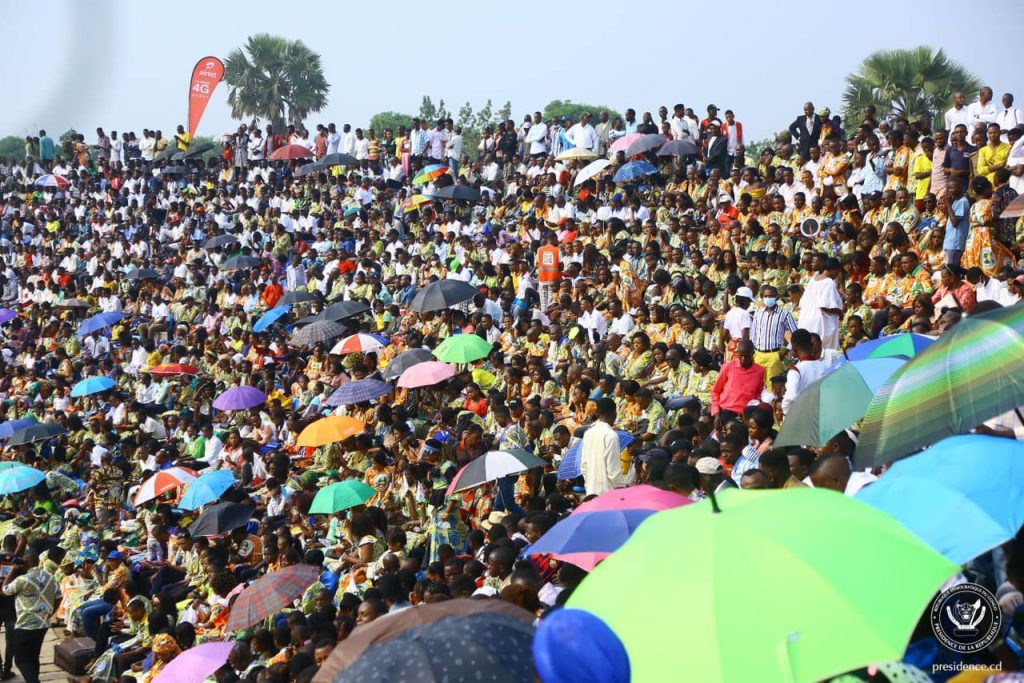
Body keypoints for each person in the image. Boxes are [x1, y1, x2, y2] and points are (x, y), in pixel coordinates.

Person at [2, 548, 56, 683]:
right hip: (43, 624)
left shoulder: (23, 580)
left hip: (25, 625)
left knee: (20, 660)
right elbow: (59, 596)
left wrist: (13, 570)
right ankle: (34, 678)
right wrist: (50, 613)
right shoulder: (50, 577)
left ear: (26, 561)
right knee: (33, 657)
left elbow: (5, 590)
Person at [581, 398, 633, 495]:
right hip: (608, 493)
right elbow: (613, 471)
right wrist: (622, 489)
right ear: (614, 413)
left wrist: (589, 484)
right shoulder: (611, 435)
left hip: (591, 491)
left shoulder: (588, 433)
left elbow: (584, 466)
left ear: (597, 414)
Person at [750, 285, 796, 387]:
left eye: (771, 296)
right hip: (758, 355)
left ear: (776, 297)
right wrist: (752, 352)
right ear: (762, 297)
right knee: (757, 386)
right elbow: (753, 333)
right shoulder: (758, 313)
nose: (768, 298)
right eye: (766, 296)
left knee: (772, 388)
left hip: (774, 355)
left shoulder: (785, 314)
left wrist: (786, 350)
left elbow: (796, 334)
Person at [710, 340, 764, 426]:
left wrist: (755, 405)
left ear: (753, 353)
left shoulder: (760, 371)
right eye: (741, 355)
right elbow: (715, 391)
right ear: (737, 353)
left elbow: (758, 393)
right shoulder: (728, 367)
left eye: (747, 356)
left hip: (745, 415)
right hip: (725, 412)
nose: (743, 359)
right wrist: (716, 413)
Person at [797, 254, 843, 350]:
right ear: (833, 269)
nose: (837, 275)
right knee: (822, 350)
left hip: (806, 319)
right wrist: (839, 312)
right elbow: (825, 305)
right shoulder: (829, 282)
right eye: (837, 272)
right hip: (820, 322)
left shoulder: (813, 280)